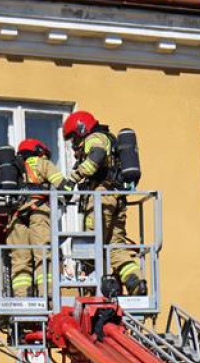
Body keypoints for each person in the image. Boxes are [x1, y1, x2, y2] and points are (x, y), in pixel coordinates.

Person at [63, 111, 148, 296]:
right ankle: (135, 282)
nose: (73, 146)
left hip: (101, 198)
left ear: (81, 130)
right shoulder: (106, 138)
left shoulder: (95, 138)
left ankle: (94, 291)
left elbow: (98, 154)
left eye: (73, 139)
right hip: (117, 197)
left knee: (91, 244)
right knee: (115, 246)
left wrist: (73, 179)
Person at [6, 139, 71, 298]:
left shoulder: (12, 170)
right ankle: (47, 295)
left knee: (20, 259)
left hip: (15, 217)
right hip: (38, 212)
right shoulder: (41, 163)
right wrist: (69, 193)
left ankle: (22, 297)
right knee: (43, 254)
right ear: (38, 150)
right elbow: (63, 185)